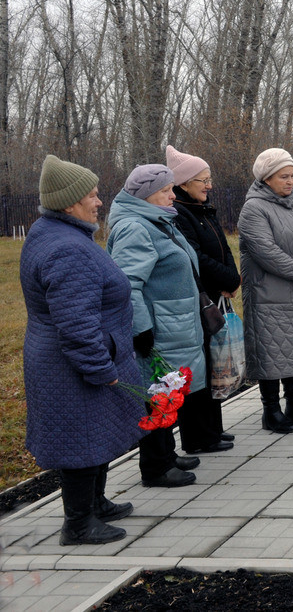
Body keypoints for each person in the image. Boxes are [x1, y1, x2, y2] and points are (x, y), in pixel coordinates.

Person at [21, 155, 146, 545]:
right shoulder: (68, 250)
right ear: (69, 203)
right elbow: (76, 323)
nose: (98, 202)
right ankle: (77, 524)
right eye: (92, 196)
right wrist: (99, 367)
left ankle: (95, 503)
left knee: (95, 434)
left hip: (70, 359)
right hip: (72, 365)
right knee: (81, 440)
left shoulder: (55, 233)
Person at [107, 165, 205, 489]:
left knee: (166, 390)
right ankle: (155, 467)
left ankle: (168, 454)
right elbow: (127, 284)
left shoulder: (158, 221)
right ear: (147, 195)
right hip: (156, 328)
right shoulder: (136, 228)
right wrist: (141, 329)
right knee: (156, 393)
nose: (173, 195)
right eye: (166, 190)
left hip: (171, 322)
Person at [238, 148, 293, 433]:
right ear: (266, 178)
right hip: (269, 296)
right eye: (283, 176)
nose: (290, 182)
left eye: (292, 176)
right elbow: (265, 251)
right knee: (272, 354)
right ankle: (271, 410)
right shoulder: (254, 208)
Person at [167, 145, 239, 454]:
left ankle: (213, 429)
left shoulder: (203, 208)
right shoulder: (181, 214)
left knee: (214, 362)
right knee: (200, 364)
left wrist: (233, 277)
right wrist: (225, 278)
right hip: (200, 297)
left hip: (217, 293)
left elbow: (222, 246)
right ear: (183, 183)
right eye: (202, 180)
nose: (209, 186)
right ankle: (199, 436)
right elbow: (195, 257)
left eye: (209, 179)